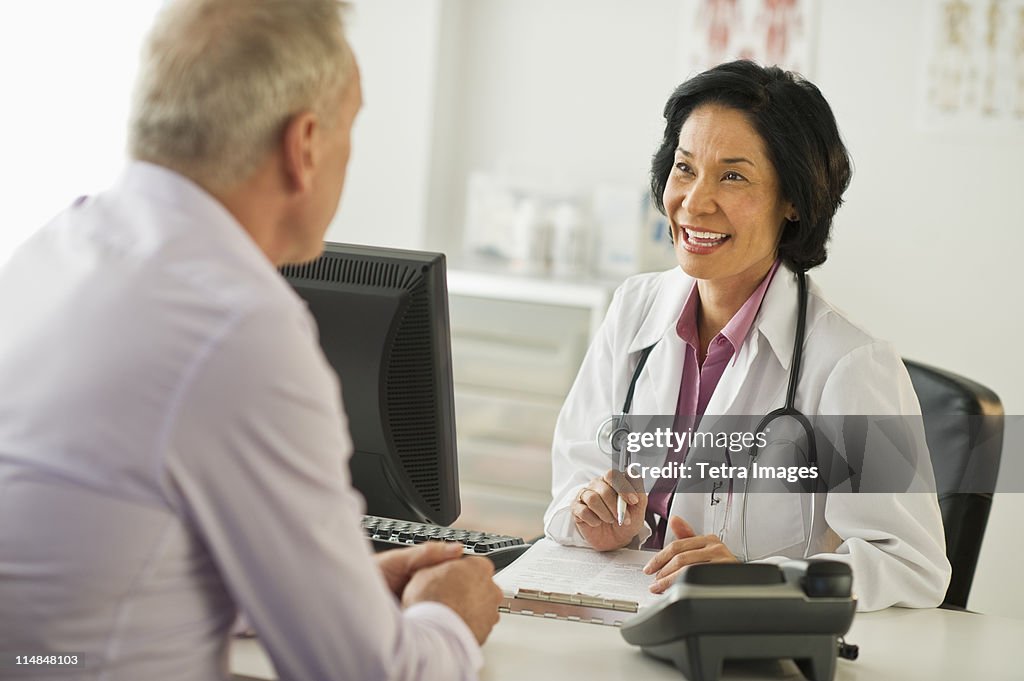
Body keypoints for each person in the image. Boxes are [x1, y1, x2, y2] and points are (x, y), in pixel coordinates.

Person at [0, 1, 501, 679]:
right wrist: (450, 613)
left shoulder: (55, 250)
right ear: (304, 147)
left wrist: (323, 588)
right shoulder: (236, 325)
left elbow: (105, 558)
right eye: (350, 131)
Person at [543, 60, 951, 612]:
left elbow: (911, 564)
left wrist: (760, 581)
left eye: (733, 176)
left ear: (793, 200)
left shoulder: (851, 364)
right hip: (621, 616)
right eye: (685, 169)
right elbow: (573, 481)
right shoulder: (634, 309)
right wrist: (598, 519)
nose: (696, 201)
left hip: (744, 647)